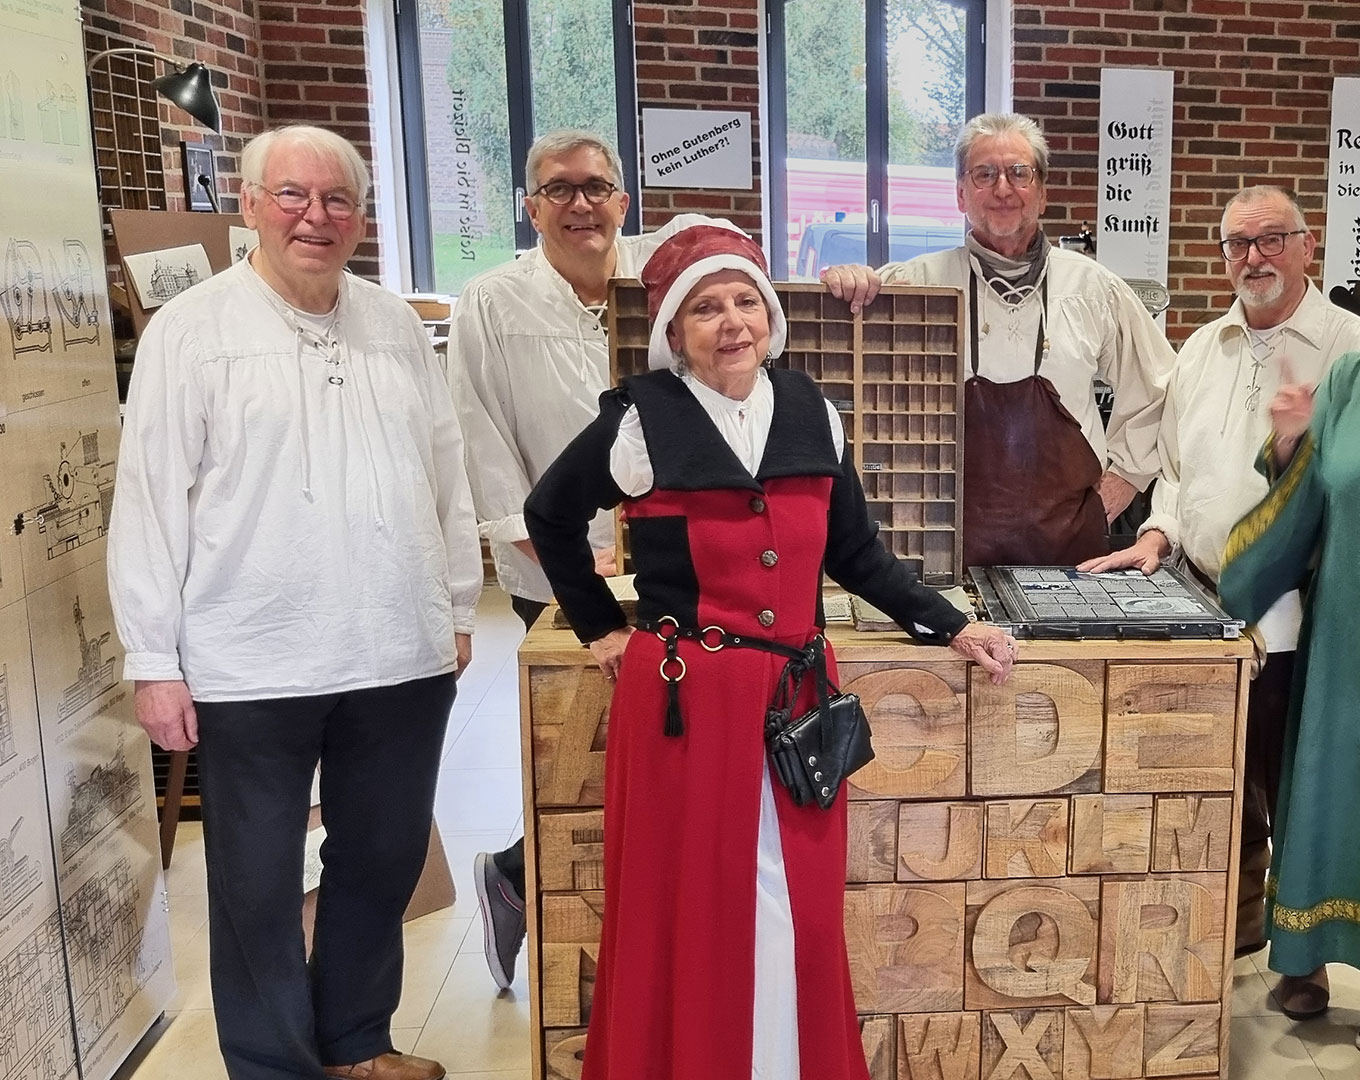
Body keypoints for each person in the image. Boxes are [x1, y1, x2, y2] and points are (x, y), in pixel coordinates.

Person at [523, 219, 1018, 1079]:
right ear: (675, 329)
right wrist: (600, 625)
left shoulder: (809, 411)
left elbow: (855, 552)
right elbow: (549, 516)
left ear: (770, 316)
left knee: (797, 904)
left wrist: (950, 622)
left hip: (796, 700)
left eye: (745, 301)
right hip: (685, 704)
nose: (732, 323)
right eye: (706, 307)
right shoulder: (641, 420)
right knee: (695, 907)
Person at [107, 125, 481, 1080]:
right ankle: (274, 1065)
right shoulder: (192, 332)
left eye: (338, 198)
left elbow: (445, 472)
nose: (316, 216)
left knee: (383, 857)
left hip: (396, 648)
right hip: (251, 657)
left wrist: (454, 605)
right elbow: (148, 499)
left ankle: (356, 1042)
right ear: (249, 205)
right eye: (292, 195)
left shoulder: (394, 325)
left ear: (361, 214)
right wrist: (152, 658)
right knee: (257, 880)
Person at [1078, 184, 1360, 1008]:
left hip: (1305, 610)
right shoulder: (1202, 349)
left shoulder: (1355, 348)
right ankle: (1237, 934)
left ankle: (1303, 961)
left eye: (1272, 239)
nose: (1255, 257)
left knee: (1296, 789)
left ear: (1308, 246)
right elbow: (1177, 471)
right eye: (1238, 244)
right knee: (1224, 782)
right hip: (1205, 601)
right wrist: (1157, 534)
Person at [446, 127, 723, 990]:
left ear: (623, 201)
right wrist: (549, 545)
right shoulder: (492, 301)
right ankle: (537, 891)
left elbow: (737, 268)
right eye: (559, 190)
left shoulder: (662, 278)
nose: (580, 204)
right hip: (560, 567)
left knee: (665, 749)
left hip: (670, 561)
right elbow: (479, 434)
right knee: (587, 751)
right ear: (530, 207)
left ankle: (541, 887)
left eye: (596, 187)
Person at [821, 112, 1173, 567]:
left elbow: (1158, 389)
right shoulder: (916, 286)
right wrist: (846, 290)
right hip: (941, 549)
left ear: (1042, 193)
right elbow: (831, 375)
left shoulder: (1093, 289)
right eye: (984, 174)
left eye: (1019, 173)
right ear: (961, 194)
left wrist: (1125, 480)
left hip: (1070, 554)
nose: (1003, 189)